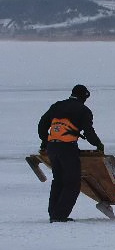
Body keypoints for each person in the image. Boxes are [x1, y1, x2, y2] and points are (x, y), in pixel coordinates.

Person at [37, 84, 104, 222]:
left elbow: (42, 125)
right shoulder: (83, 110)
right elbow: (89, 132)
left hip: (52, 148)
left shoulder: (57, 106)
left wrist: (45, 142)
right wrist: (98, 144)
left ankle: (53, 214)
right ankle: (59, 216)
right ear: (84, 96)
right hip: (67, 148)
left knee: (58, 181)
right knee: (72, 183)